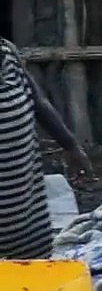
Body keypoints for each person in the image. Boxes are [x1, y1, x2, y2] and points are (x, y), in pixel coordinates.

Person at [0, 37, 92, 260]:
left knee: (32, 284)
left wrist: (71, 147)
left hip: (27, 220)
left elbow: (38, 102)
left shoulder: (7, 53)